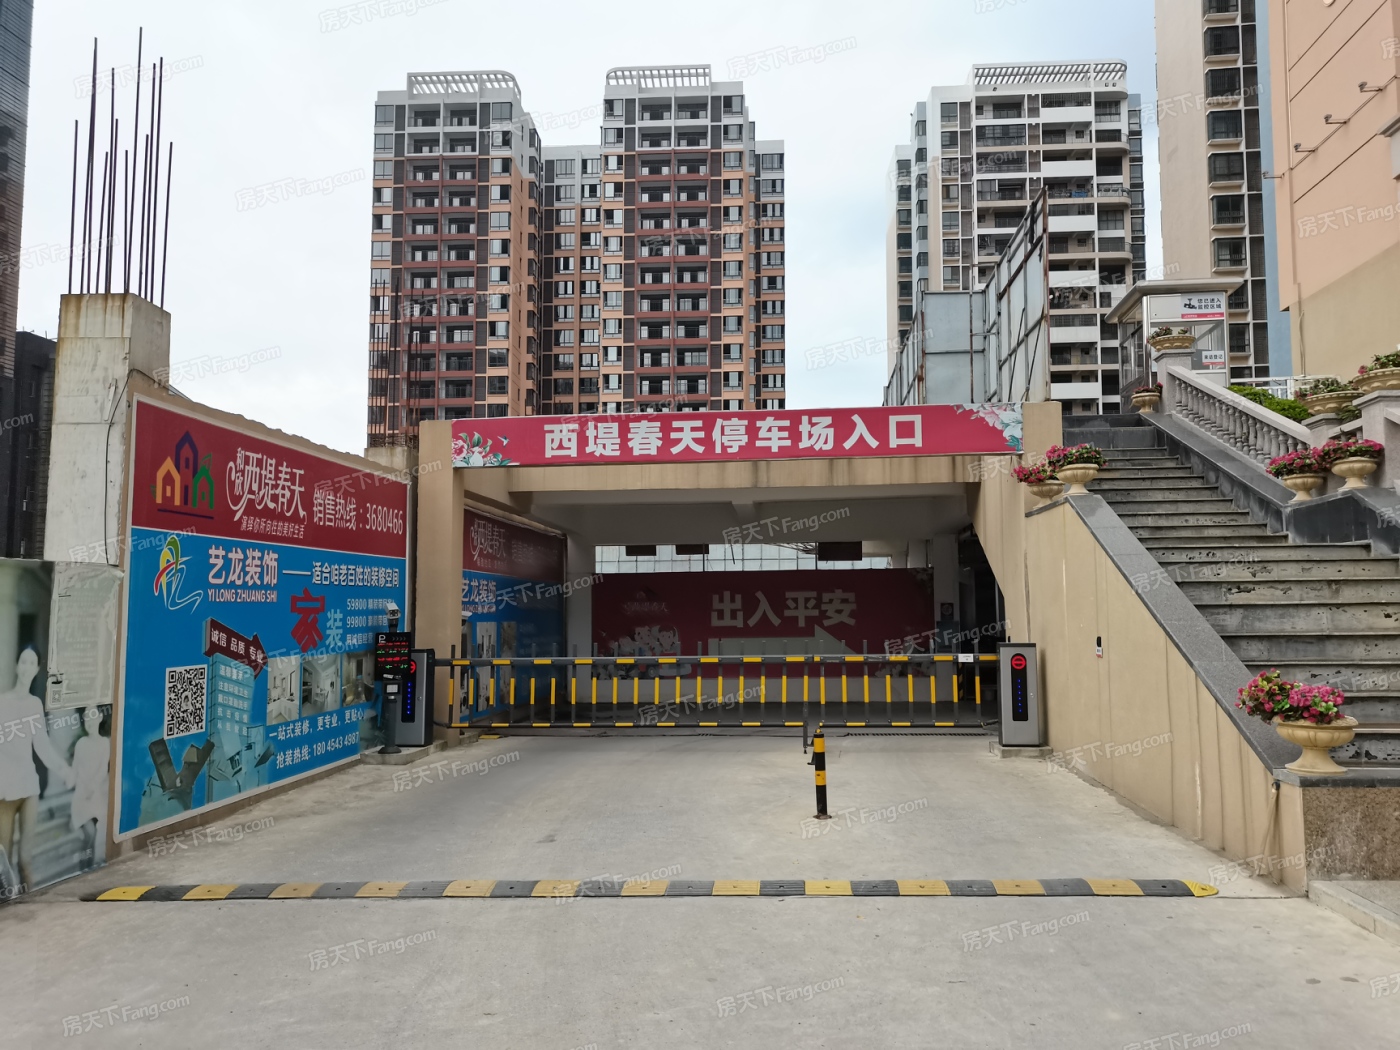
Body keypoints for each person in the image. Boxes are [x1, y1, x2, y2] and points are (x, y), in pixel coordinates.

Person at [0, 648, 75, 890]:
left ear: (37, 669)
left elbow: (43, 747)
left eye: (31, 663)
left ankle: (30, 905)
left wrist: (64, 769)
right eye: (23, 662)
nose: (26, 667)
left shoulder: (35, 704)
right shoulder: (2, 702)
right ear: (16, 666)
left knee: (25, 861)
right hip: (5, 791)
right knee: (4, 863)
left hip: (28, 787)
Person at [69, 706, 111, 866]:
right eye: (86, 718)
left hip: (96, 798)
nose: (90, 722)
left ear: (99, 718)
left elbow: (102, 769)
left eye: (93, 717)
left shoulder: (105, 743)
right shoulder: (81, 743)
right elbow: (75, 769)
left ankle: (87, 870)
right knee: (89, 835)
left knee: (93, 839)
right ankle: (83, 870)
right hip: (82, 799)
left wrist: (93, 787)